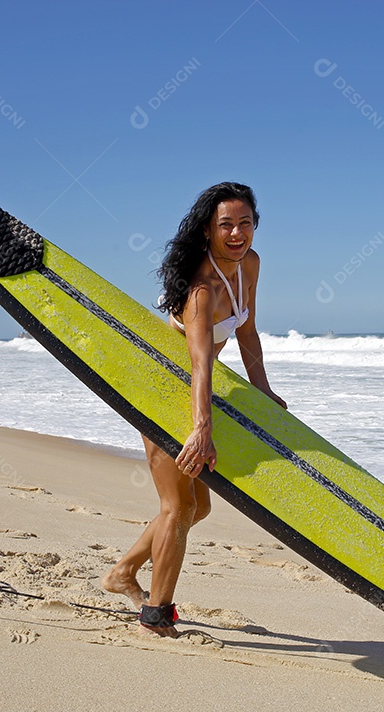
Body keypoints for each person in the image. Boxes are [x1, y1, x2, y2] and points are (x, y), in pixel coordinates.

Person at [101, 182, 286, 636]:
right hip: (161, 393)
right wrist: (202, 429)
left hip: (196, 391)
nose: (237, 233)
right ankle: (155, 616)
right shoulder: (200, 290)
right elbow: (201, 361)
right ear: (208, 229)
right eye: (226, 225)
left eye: (245, 223)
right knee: (177, 507)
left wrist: (263, 390)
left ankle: (123, 572)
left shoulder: (249, 265)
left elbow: (247, 332)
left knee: (198, 507)